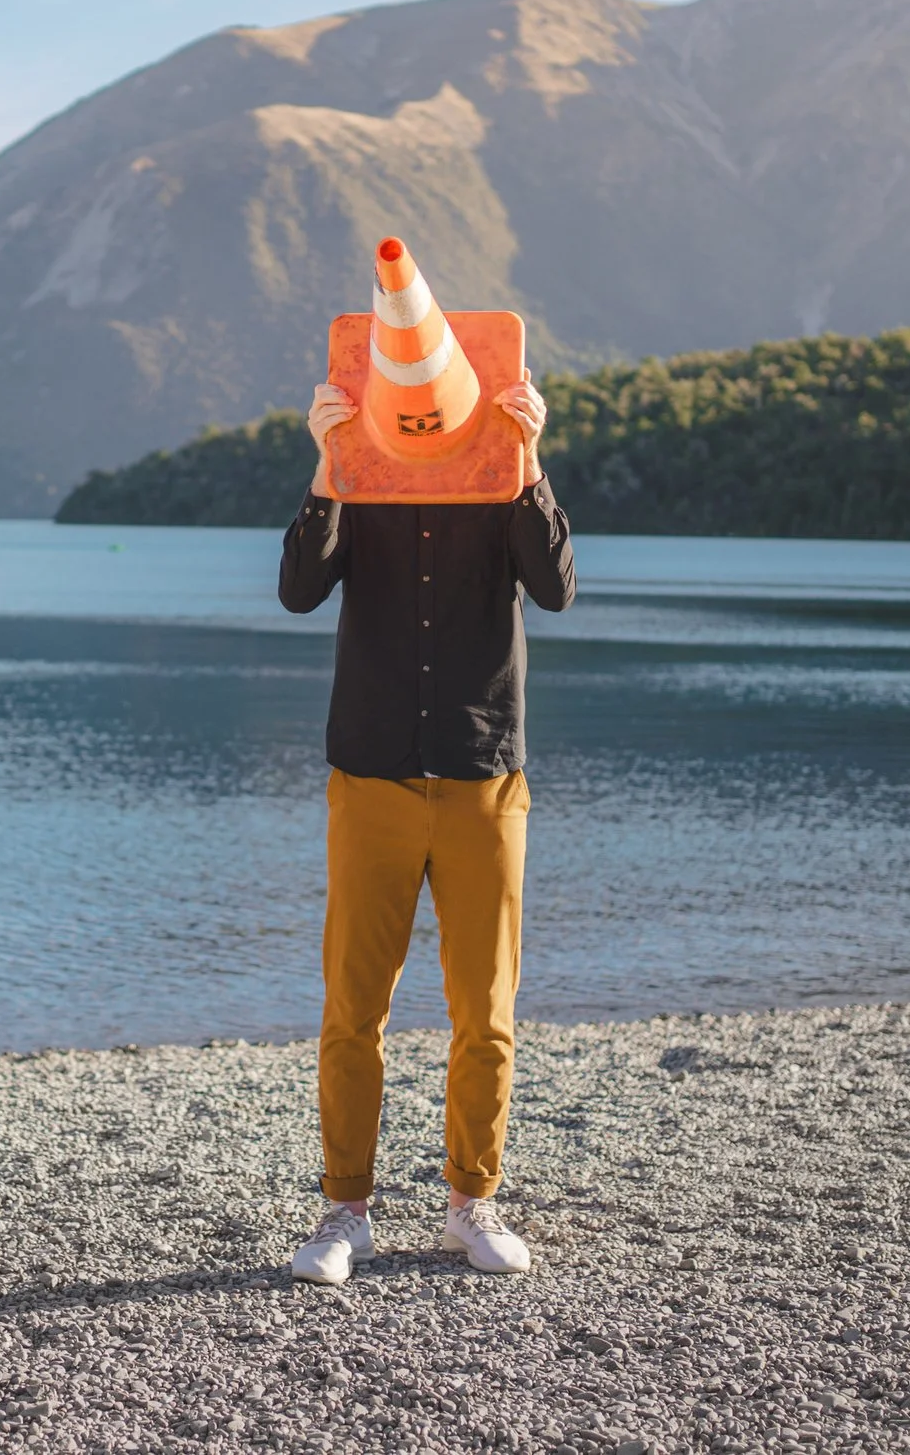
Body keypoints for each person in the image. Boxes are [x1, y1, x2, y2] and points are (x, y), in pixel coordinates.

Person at [276, 369, 574, 1284]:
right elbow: (297, 588)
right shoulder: (356, 470)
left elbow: (555, 587)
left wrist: (527, 460)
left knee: (484, 1012)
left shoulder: (505, 465)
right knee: (351, 1010)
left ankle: (470, 1202)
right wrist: (329, 461)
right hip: (372, 775)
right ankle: (345, 1210)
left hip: (486, 775)